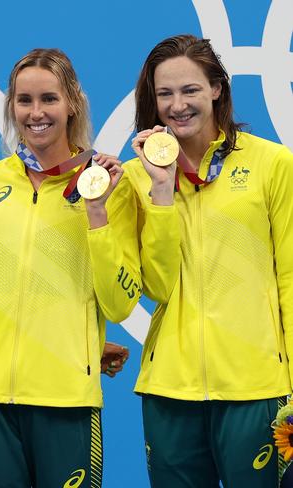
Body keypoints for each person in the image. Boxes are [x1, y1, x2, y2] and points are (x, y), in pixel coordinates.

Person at [0, 48, 180, 487]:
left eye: (49, 99)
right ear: (12, 107)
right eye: (24, 101)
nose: (36, 113)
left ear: (73, 103)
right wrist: (48, 331)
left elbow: (119, 304)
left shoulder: (111, 185)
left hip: (68, 401)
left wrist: (96, 212)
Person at [128, 34, 293, 488]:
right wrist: (161, 190)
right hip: (169, 390)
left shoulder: (272, 164)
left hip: (256, 387)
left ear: (217, 88)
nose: (177, 105)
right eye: (165, 94)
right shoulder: (135, 177)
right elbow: (157, 285)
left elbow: (291, 279)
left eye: (190, 90)